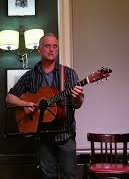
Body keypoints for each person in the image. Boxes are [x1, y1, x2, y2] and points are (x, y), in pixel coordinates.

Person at [5, 33, 84, 179]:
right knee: (47, 177)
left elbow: (77, 104)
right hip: (43, 136)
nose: (52, 49)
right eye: (48, 46)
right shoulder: (31, 75)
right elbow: (9, 98)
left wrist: (78, 97)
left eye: (55, 46)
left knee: (70, 176)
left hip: (65, 135)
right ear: (39, 50)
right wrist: (26, 104)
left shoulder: (68, 73)